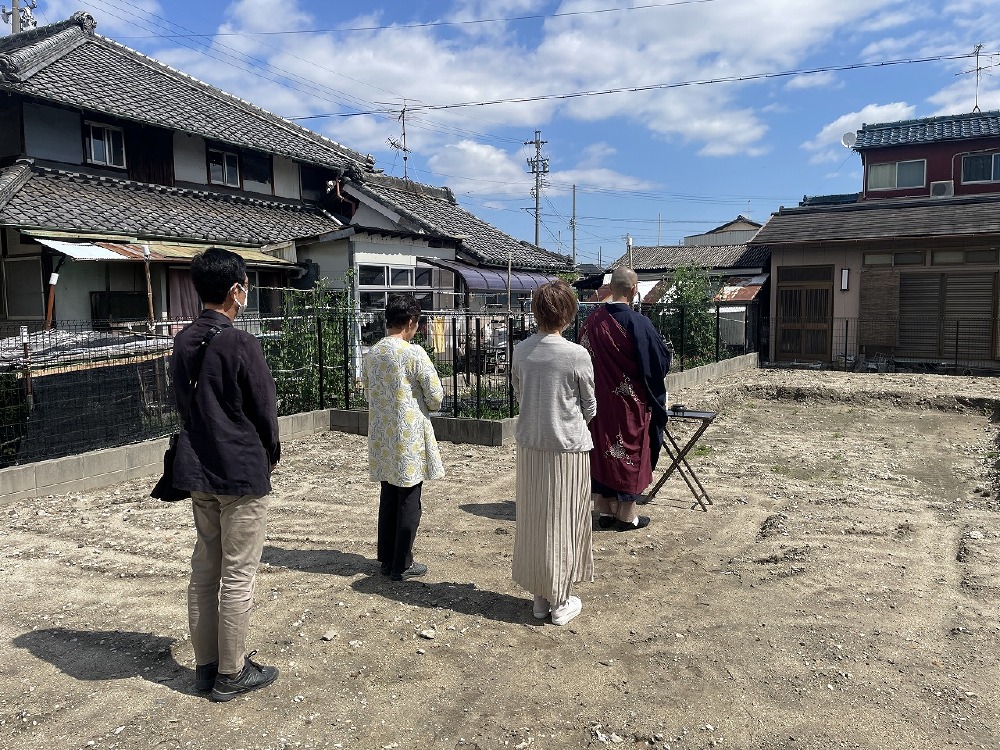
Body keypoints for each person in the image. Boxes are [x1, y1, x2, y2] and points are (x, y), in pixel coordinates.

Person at [170, 247, 281, 702]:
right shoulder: (240, 342)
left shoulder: (182, 340)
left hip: (197, 468)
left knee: (205, 569)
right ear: (236, 290)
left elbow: (180, 403)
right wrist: (270, 453)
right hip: (239, 471)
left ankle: (205, 666)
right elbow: (264, 409)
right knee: (238, 574)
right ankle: (233, 674)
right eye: (246, 285)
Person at [511, 279, 597, 626]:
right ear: (568, 313)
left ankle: (539, 597)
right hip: (568, 449)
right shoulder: (576, 354)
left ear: (535, 312)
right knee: (564, 519)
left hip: (531, 445)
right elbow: (589, 405)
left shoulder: (521, 350)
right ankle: (560, 600)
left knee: (535, 520)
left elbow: (519, 391)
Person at [580, 267, 672, 531]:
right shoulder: (638, 323)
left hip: (597, 402)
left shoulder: (591, 322)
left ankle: (602, 510)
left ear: (609, 288)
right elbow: (657, 363)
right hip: (629, 404)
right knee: (628, 451)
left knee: (601, 451)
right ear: (634, 289)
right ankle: (626, 515)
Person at [363, 293, 445, 581]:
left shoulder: (372, 354)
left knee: (388, 494)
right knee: (410, 497)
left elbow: (367, 391)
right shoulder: (414, 353)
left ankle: (386, 558)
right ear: (411, 322)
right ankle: (403, 562)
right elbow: (435, 397)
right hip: (408, 434)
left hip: (382, 435)